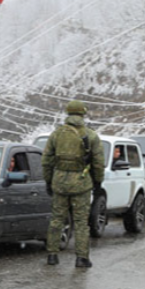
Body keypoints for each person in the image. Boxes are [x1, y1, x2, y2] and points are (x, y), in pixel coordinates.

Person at [42, 100, 105, 268]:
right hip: (82, 183)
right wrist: (98, 182)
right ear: (83, 114)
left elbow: (46, 160)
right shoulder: (91, 135)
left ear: (68, 113)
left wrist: (48, 180)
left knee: (56, 219)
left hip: (59, 182)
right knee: (81, 222)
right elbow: (98, 162)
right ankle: (81, 258)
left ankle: (52, 255)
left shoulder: (56, 134)